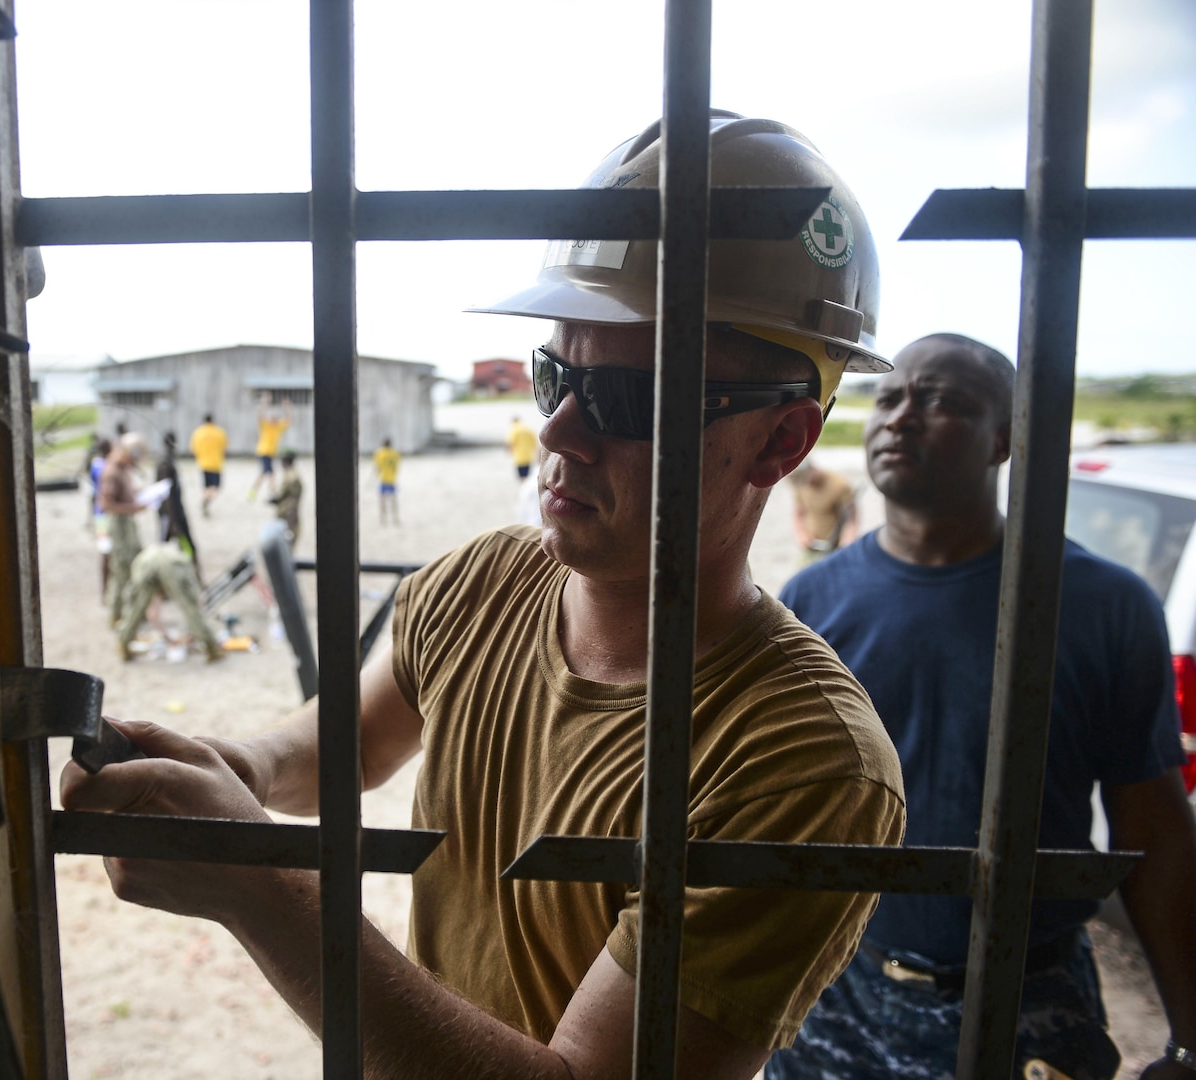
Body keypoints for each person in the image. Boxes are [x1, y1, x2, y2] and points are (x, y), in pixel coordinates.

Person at [61, 112, 905, 1077]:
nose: (559, 432)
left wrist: (263, 888)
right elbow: (348, 746)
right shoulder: (485, 581)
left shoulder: (803, 764)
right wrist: (239, 771)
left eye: (626, 400)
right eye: (556, 374)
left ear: (782, 442)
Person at [768, 334, 1196, 1080]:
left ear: (1004, 439)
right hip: (840, 990)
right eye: (888, 396)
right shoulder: (810, 603)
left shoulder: (1101, 606)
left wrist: (1188, 1039)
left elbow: (1152, 828)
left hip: (1028, 1001)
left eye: (942, 401)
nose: (900, 417)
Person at [116, 542, 225, 663]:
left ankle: (123, 645)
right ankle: (212, 647)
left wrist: (166, 634)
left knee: (135, 609)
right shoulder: (180, 561)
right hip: (168, 566)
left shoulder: (149, 563)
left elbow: (148, 611)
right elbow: (194, 601)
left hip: (146, 563)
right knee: (190, 608)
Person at [97, 433, 148, 628]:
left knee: (133, 565)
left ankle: (128, 613)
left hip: (126, 523)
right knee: (120, 569)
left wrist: (136, 495)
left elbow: (123, 495)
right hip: (118, 525)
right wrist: (134, 508)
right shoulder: (112, 471)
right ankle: (116, 615)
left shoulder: (122, 469)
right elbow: (106, 504)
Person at [788, 458, 858, 561]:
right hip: (811, 546)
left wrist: (847, 543)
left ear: (813, 469)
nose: (807, 484)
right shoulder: (801, 487)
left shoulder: (840, 485)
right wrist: (801, 534)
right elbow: (798, 513)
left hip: (835, 548)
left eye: (806, 479)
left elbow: (851, 520)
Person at [154, 432, 199, 578]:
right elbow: (166, 496)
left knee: (186, 547)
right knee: (164, 551)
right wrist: (173, 521)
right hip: (171, 515)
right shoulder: (165, 464)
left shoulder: (167, 461)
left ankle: (195, 577)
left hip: (174, 513)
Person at [246, 393, 291, 500]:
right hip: (264, 452)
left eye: (275, 418)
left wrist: (287, 407)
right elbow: (260, 415)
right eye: (272, 418)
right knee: (269, 473)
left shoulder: (278, 427)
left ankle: (255, 492)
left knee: (266, 473)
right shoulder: (265, 425)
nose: (273, 420)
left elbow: (289, 419)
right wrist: (264, 402)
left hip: (271, 453)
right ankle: (271, 493)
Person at [188, 413, 228, 518]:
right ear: (213, 421)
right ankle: (207, 501)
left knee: (206, 486)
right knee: (216, 488)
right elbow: (225, 448)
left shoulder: (198, 432)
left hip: (203, 464)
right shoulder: (219, 432)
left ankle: (205, 500)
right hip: (216, 464)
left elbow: (193, 449)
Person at [269, 449, 302, 547]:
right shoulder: (290, 474)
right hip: (284, 516)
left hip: (287, 518)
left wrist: (290, 527)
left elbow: (293, 502)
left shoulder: (292, 478)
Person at [373, 437, 400, 526]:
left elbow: (378, 467)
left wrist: (376, 475)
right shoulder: (395, 453)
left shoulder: (379, 453)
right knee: (393, 500)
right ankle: (395, 518)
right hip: (392, 480)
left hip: (383, 480)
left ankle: (383, 520)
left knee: (382, 501)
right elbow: (396, 466)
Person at [506, 414, 537, 481]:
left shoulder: (514, 429)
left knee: (521, 477)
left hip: (519, 458)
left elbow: (510, 443)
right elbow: (535, 443)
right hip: (528, 457)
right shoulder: (528, 429)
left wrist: (509, 452)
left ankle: (524, 489)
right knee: (527, 476)